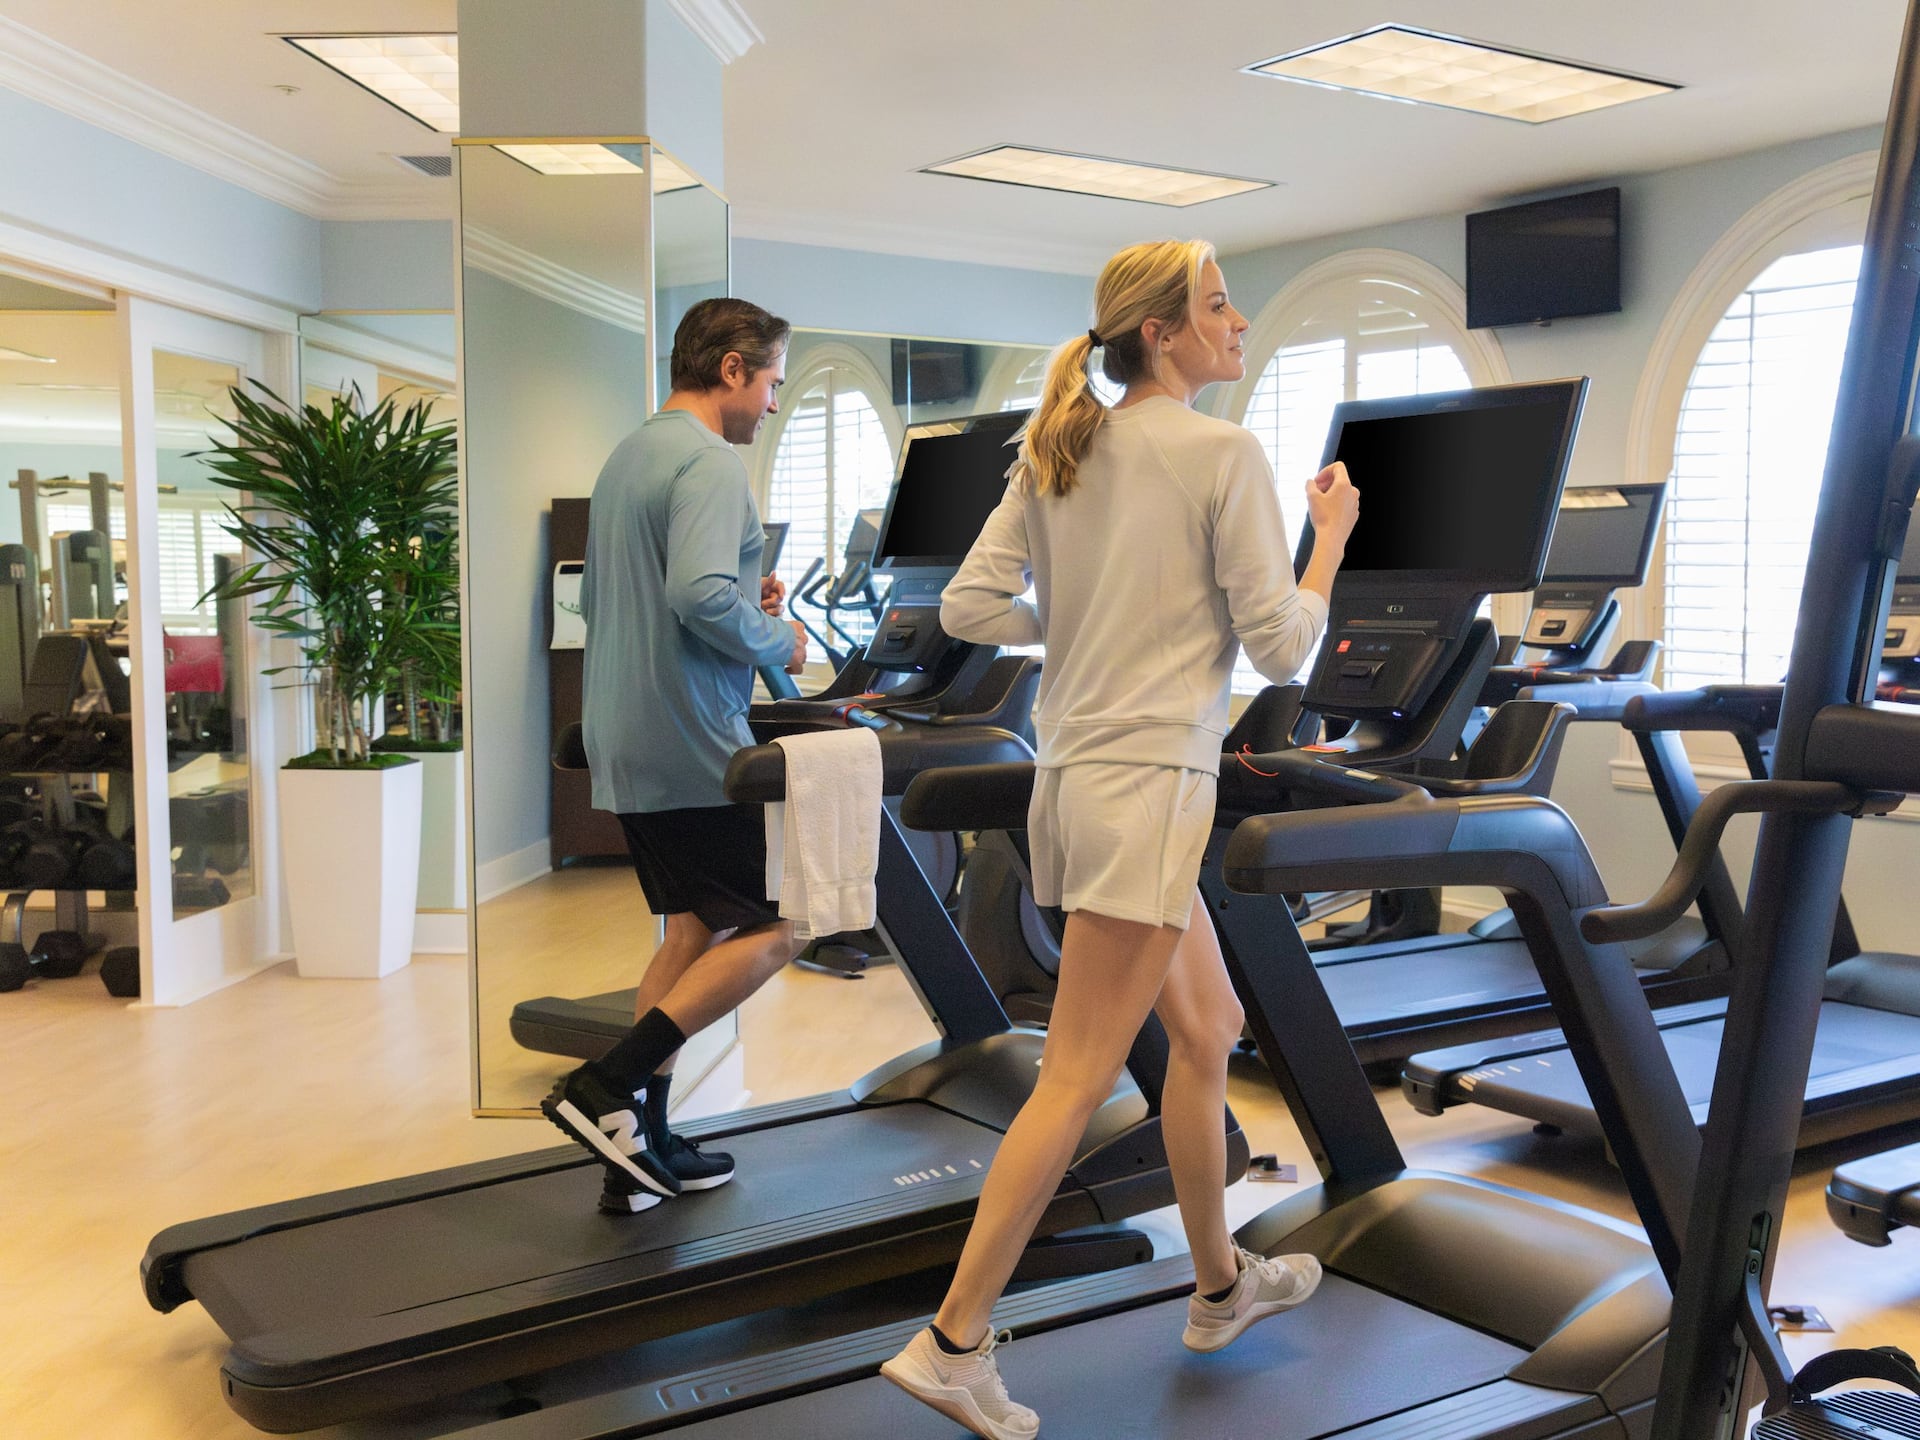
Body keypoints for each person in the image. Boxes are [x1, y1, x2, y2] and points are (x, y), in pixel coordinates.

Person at [879, 240, 1360, 1438]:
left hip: (1081, 782)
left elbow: (967, 607)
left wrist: (1083, 619)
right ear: (1159, 333)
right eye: (1215, 305)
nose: (1237, 322)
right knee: (1082, 1072)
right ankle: (952, 1343)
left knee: (1209, 1028)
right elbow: (1282, 647)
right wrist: (1332, 539)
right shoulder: (1222, 453)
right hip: (1150, 787)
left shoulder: (1064, 452)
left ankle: (1217, 1288)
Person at [543, 297, 809, 1216]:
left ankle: (634, 1143)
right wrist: (779, 638)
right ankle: (604, 1087)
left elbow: (667, 590)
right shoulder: (707, 462)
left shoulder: (632, 454)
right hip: (690, 739)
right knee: (786, 926)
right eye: (772, 379)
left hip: (624, 730)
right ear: (733, 368)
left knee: (694, 929)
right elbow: (698, 597)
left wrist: (747, 592)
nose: (773, 402)